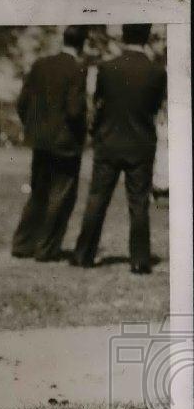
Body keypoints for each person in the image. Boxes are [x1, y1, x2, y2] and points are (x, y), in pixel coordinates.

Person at [72, 24, 167, 274]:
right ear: (147, 37)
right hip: (141, 144)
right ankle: (139, 260)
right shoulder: (157, 72)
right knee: (138, 205)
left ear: (123, 36)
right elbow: (155, 107)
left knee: (97, 199)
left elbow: (99, 103)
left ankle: (83, 255)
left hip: (109, 142)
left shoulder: (106, 68)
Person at [10, 25, 89, 262]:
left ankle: (23, 244)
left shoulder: (40, 65)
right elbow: (75, 111)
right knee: (60, 197)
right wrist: (82, 132)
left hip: (40, 141)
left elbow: (22, 103)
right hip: (65, 145)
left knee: (38, 194)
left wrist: (34, 128)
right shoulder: (77, 69)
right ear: (83, 44)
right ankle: (46, 249)